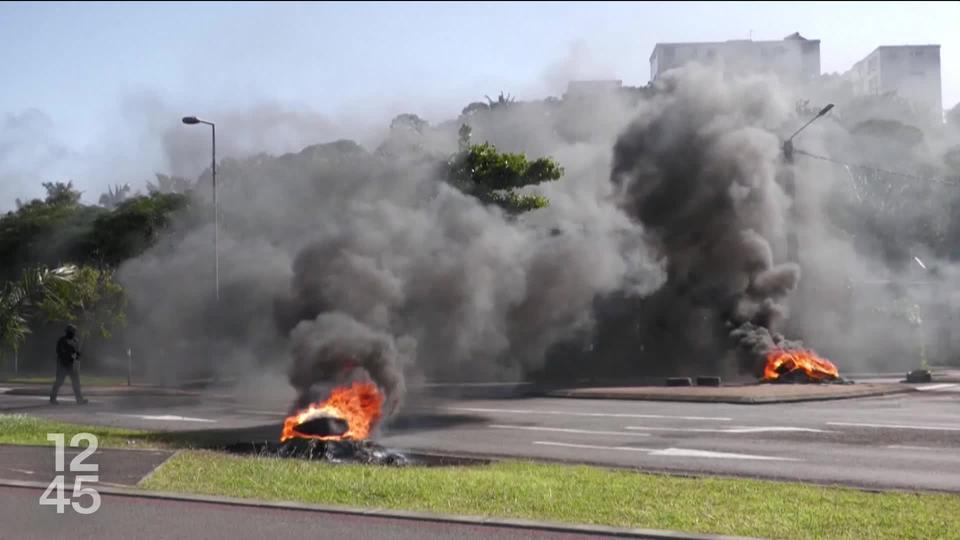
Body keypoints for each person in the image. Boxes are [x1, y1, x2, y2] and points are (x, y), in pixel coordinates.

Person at [49, 324, 88, 405]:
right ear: (67, 332)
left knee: (76, 382)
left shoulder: (75, 341)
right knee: (59, 382)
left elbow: (76, 353)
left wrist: (78, 356)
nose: (72, 333)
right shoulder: (62, 341)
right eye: (70, 332)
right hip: (62, 364)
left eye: (73, 332)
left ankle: (79, 400)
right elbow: (59, 352)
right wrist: (69, 355)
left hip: (72, 365)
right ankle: (53, 398)